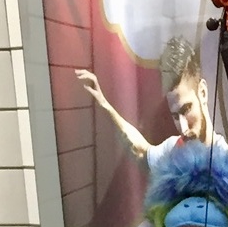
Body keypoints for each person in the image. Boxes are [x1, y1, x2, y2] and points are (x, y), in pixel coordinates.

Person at [76, 34, 214, 166]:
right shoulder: (175, 149)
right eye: (176, 116)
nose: (183, 129)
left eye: (186, 109)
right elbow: (140, 151)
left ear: (202, 92)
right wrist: (103, 103)